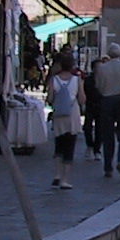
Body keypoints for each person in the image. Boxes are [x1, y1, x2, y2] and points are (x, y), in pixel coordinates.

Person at [93, 41, 120, 180]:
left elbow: (98, 86)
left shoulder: (101, 68)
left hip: (106, 101)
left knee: (107, 136)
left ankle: (107, 167)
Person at [45, 52, 84, 189]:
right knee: (69, 146)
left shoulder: (54, 80)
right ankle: (64, 179)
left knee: (59, 145)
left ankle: (56, 174)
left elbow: (50, 99)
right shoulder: (77, 80)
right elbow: (82, 99)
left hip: (59, 115)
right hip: (72, 115)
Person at [81, 58, 101, 160]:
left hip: (101, 106)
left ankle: (97, 150)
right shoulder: (88, 79)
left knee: (100, 129)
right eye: (97, 67)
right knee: (87, 127)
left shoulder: (104, 79)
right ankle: (90, 145)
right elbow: (84, 92)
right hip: (90, 105)